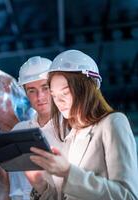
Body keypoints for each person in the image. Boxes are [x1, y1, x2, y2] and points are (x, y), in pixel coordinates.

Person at [28, 50, 138, 200]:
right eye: (54, 96)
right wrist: (40, 185)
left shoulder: (113, 123)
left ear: (85, 89)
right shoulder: (72, 136)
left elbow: (127, 196)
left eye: (65, 93)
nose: (59, 102)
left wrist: (68, 172)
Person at [0, 56, 62, 200]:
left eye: (45, 88)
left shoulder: (71, 130)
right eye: (32, 90)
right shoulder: (20, 129)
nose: (40, 96)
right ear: (25, 93)